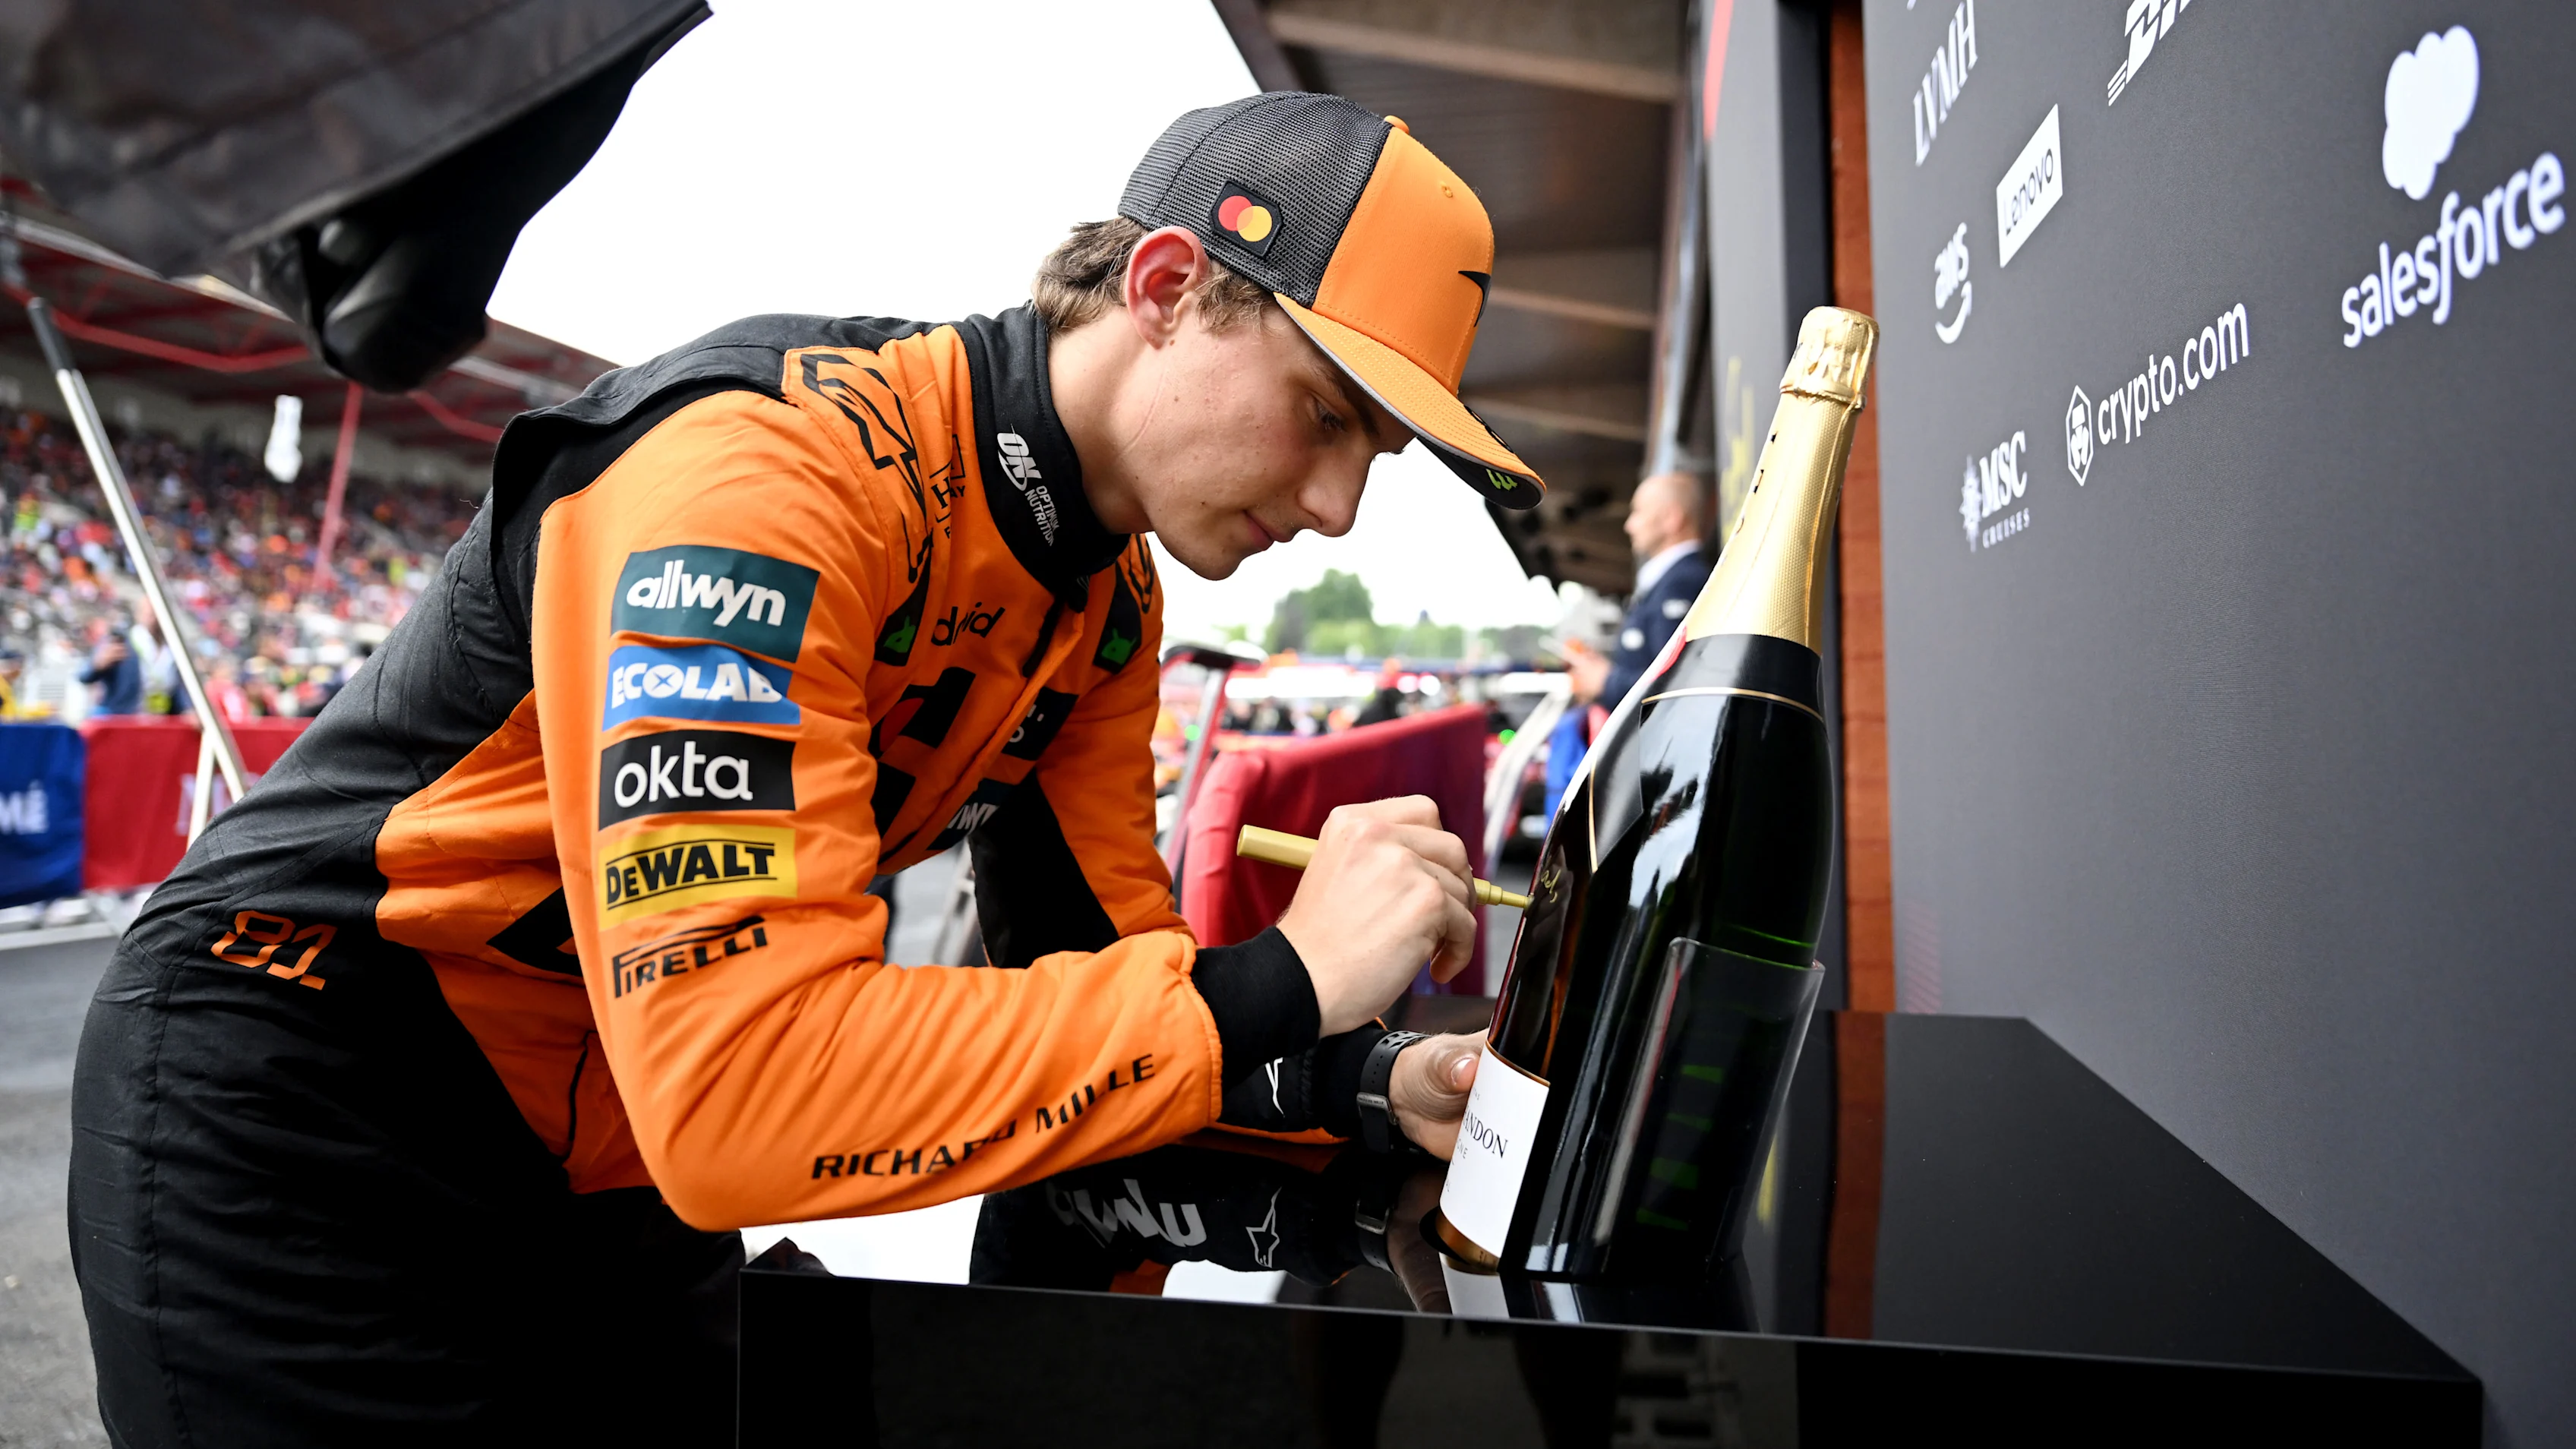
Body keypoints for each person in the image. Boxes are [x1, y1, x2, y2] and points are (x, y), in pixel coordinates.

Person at [70, 93, 1546, 1447]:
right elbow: (744, 1097)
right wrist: (1292, 974)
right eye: (1327, 413)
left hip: (604, 1139)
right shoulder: (761, 479)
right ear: (1165, 289)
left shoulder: (1105, 606)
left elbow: (1113, 984)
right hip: (306, 1097)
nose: (1343, 506)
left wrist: (1367, 1084)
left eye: (1382, 456)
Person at [1567, 470, 1713, 710]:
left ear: (1671, 519)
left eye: (1638, 512)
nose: (1629, 525)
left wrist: (1606, 681)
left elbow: (1676, 682)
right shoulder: (1672, 580)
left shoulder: (1682, 583)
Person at [77, 620, 142, 715]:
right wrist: (99, 664)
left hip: (129, 712)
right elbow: (84, 676)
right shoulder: (104, 649)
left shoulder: (130, 642)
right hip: (114, 713)